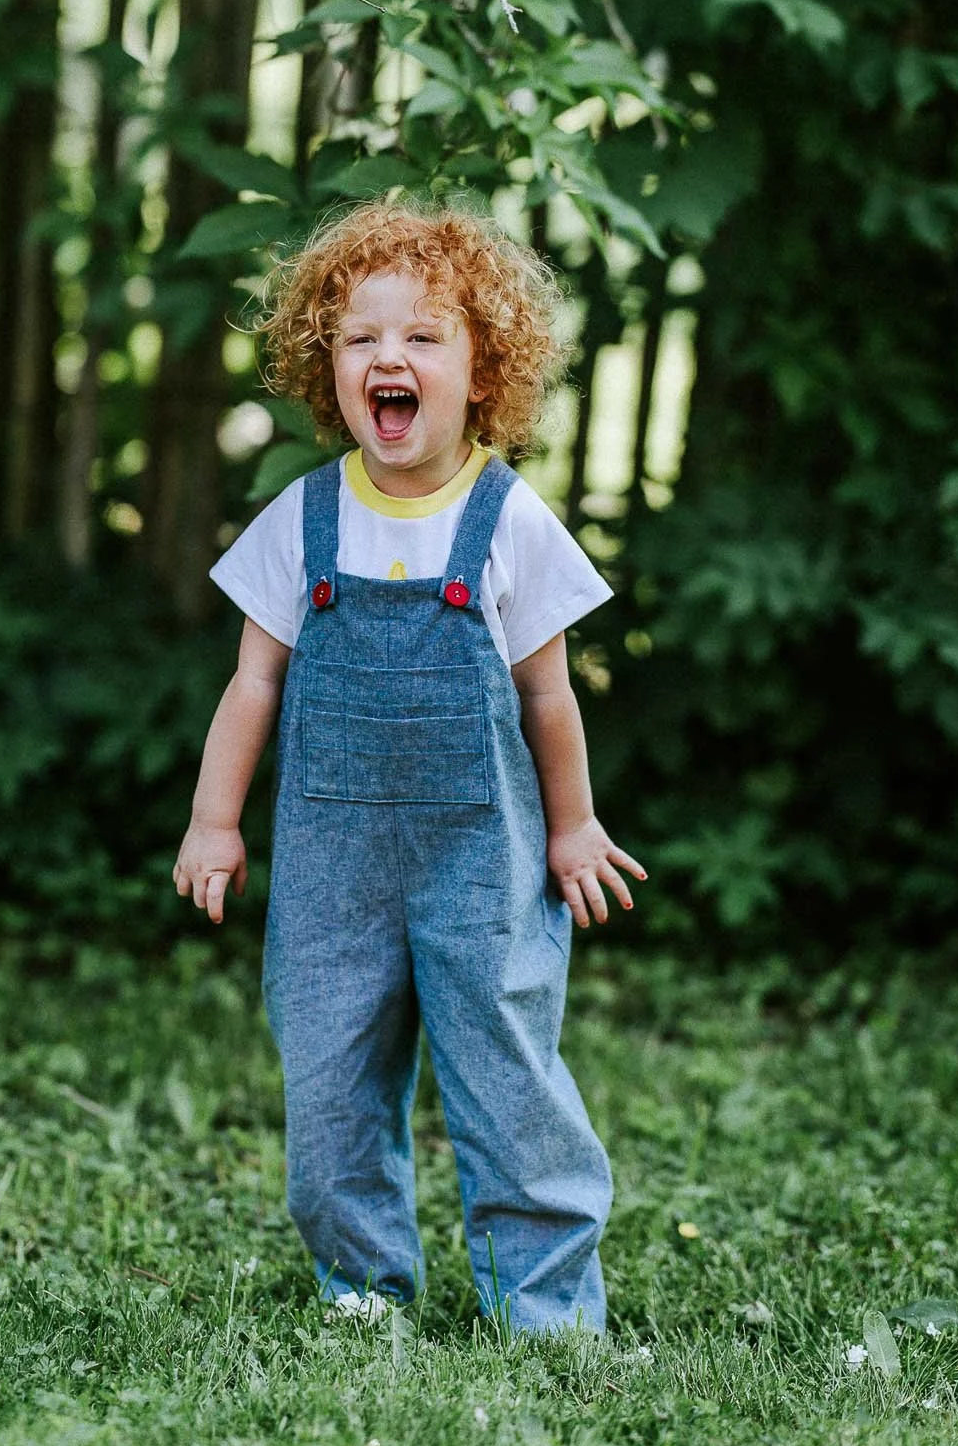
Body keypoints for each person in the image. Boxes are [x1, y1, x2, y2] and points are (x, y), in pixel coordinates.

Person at [172, 198, 646, 1334]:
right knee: (329, 1090)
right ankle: (362, 1290)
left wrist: (573, 826)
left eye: (424, 336)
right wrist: (213, 821)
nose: (389, 357)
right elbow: (253, 685)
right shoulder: (303, 518)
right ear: (324, 366)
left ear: (482, 369)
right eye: (359, 338)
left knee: (508, 1085)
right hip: (335, 872)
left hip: (481, 866)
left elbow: (547, 695)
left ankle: (543, 1309)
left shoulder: (508, 522)